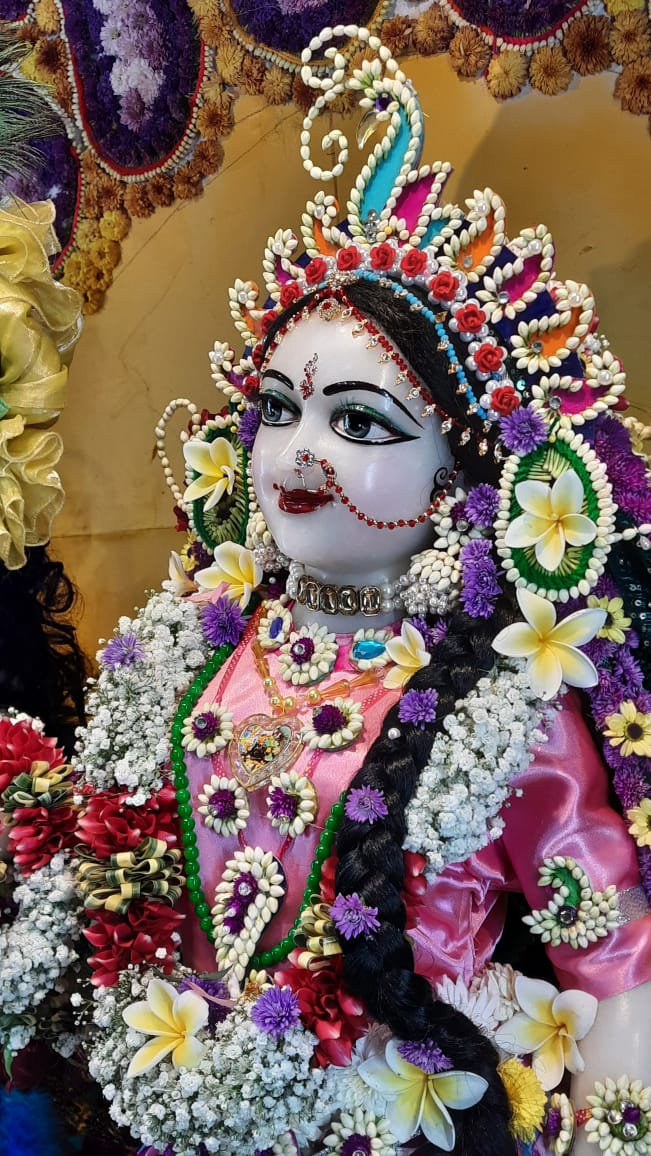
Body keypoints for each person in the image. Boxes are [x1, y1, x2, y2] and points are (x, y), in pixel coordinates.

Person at [74, 25, 651, 1156]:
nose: (298, 451)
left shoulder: (510, 715)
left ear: (459, 476)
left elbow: (613, 971)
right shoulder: (189, 654)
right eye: (277, 409)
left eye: (360, 423)